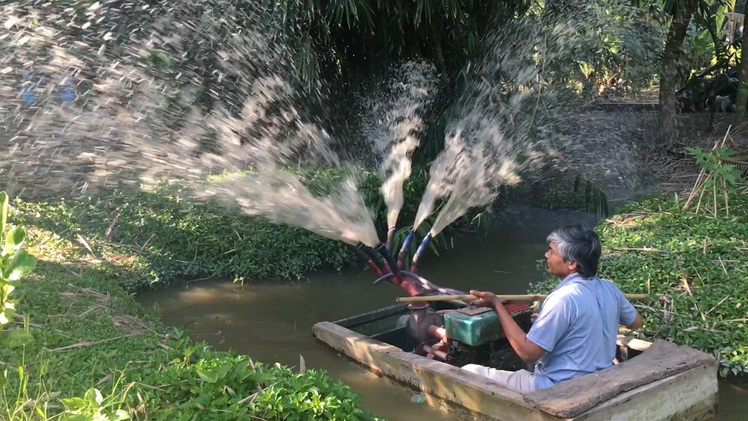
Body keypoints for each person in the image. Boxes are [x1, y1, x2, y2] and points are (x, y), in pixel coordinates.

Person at [462, 224, 642, 392]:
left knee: (468, 371)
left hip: (558, 389)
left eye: (551, 251)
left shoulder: (563, 298)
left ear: (572, 263)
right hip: (599, 381)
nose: (546, 255)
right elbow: (635, 322)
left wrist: (496, 304)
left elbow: (528, 353)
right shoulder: (609, 288)